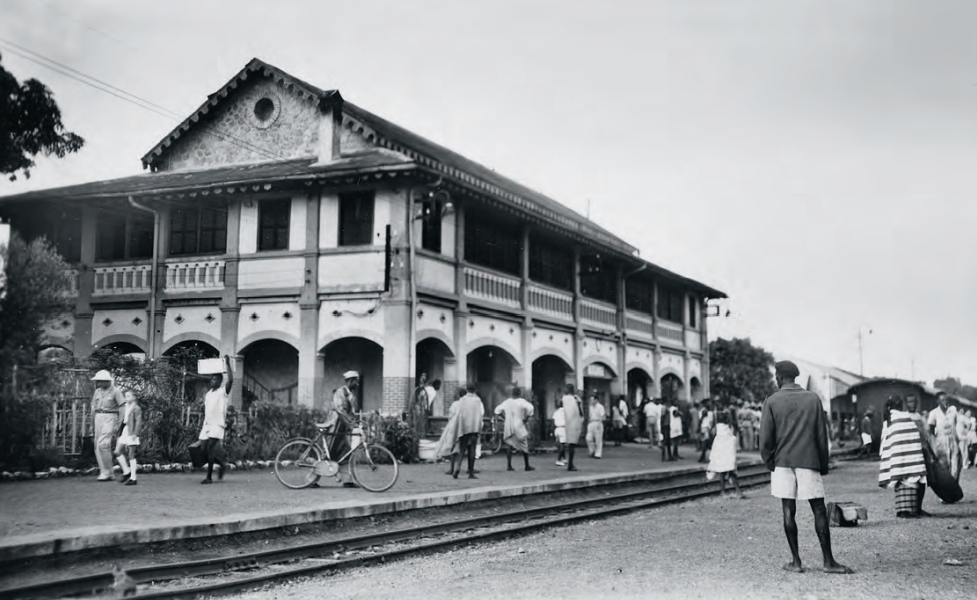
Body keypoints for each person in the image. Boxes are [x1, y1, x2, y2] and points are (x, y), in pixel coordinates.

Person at [759, 360, 851, 575]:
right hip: (809, 460)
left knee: (788, 510)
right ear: (795, 376)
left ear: (779, 377)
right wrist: (823, 464)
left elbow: (765, 439)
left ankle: (796, 562)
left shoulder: (771, 400)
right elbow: (821, 435)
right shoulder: (812, 399)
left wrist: (770, 461)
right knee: (818, 509)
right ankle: (828, 562)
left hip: (783, 462)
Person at [878, 394, 928, 518]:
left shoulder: (889, 419)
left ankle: (905, 510)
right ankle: (913, 510)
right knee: (916, 480)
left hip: (898, 457)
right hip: (912, 454)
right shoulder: (904, 417)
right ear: (902, 404)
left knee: (901, 482)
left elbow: (885, 439)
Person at [199, 355, 233, 484]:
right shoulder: (208, 394)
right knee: (203, 449)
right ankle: (222, 464)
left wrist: (228, 364)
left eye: (215, 379)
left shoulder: (222, 392)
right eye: (211, 379)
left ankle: (209, 477)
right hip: (207, 425)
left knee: (210, 449)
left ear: (220, 381)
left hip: (217, 425)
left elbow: (231, 380)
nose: (212, 381)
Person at [90, 370, 125, 481]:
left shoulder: (116, 391)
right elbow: (93, 408)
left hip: (110, 417)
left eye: (101, 381)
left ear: (107, 381)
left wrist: (120, 422)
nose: (99, 383)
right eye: (98, 381)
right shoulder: (97, 392)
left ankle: (107, 472)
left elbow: (122, 407)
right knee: (97, 446)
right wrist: (91, 423)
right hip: (98, 417)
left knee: (103, 444)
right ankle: (106, 471)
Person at [494, 387, 536, 471]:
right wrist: (526, 418)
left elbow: (497, 410)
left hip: (508, 424)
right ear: (520, 393)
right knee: (524, 444)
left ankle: (509, 465)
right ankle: (527, 465)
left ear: (512, 393)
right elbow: (531, 408)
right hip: (519, 423)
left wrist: (504, 418)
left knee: (509, 444)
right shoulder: (522, 401)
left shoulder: (507, 402)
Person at [708, 409, 744, 498]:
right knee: (731, 472)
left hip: (721, 452)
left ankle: (724, 492)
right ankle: (738, 491)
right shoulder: (729, 427)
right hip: (727, 452)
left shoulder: (717, 428)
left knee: (722, 473)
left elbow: (712, 433)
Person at [928, 392, 961, 481]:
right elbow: (931, 430)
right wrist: (934, 444)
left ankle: (954, 483)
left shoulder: (953, 411)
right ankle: (946, 485)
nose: (945, 402)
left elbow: (955, 424)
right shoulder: (934, 413)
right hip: (941, 442)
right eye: (942, 400)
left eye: (946, 400)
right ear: (938, 401)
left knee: (955, 465)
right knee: (944, 466)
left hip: (952, 440)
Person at [454, 383, 485, 479]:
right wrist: (479, 428)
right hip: (474, 428)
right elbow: (480, 414)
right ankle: (470, 472)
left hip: (464, 427)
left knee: (462, 449)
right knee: (472, 450)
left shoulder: (462, 400)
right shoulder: (477, 400)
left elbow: (458, 413)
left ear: (467, 390)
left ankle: (457, 467)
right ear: (474, 390)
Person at [113, 390, 143, 486]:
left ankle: (133, 478)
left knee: (131, 455)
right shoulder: (125, 407)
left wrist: (135, 434)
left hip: (132, 431)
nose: (126, 398)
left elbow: (138, 421)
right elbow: (122, 419)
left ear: (134, 397)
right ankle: (127, 471)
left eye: (128, 396)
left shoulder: (136, 408)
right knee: (117, 452)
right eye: (125, 396)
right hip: (125, 430)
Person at [434, 390, 463, 475]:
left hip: (453, 426)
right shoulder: (466, 404)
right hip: (464, 426)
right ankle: (463, 467)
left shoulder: (455, 404)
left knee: (453, 446)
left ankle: (452, 468)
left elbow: (450, 415)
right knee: (462, 447)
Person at [561, 384, 584, 471]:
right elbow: (581, 413)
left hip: (568, 422)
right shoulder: (575, 399)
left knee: (568, 443)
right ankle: (570, 464)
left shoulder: (566, 398)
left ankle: (569, 463)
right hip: (573, 423)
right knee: (572, 444)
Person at [585, 394, 606, 459]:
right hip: (591, 422)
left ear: (596, 400)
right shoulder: (590, 407)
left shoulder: (600, 407)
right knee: (588, 438)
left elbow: (602, 416)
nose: (591, 401)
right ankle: (592, 450)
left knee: (598, 439)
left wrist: (599, 424)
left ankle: (598, 453)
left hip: (597, 422)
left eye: (592, 400)